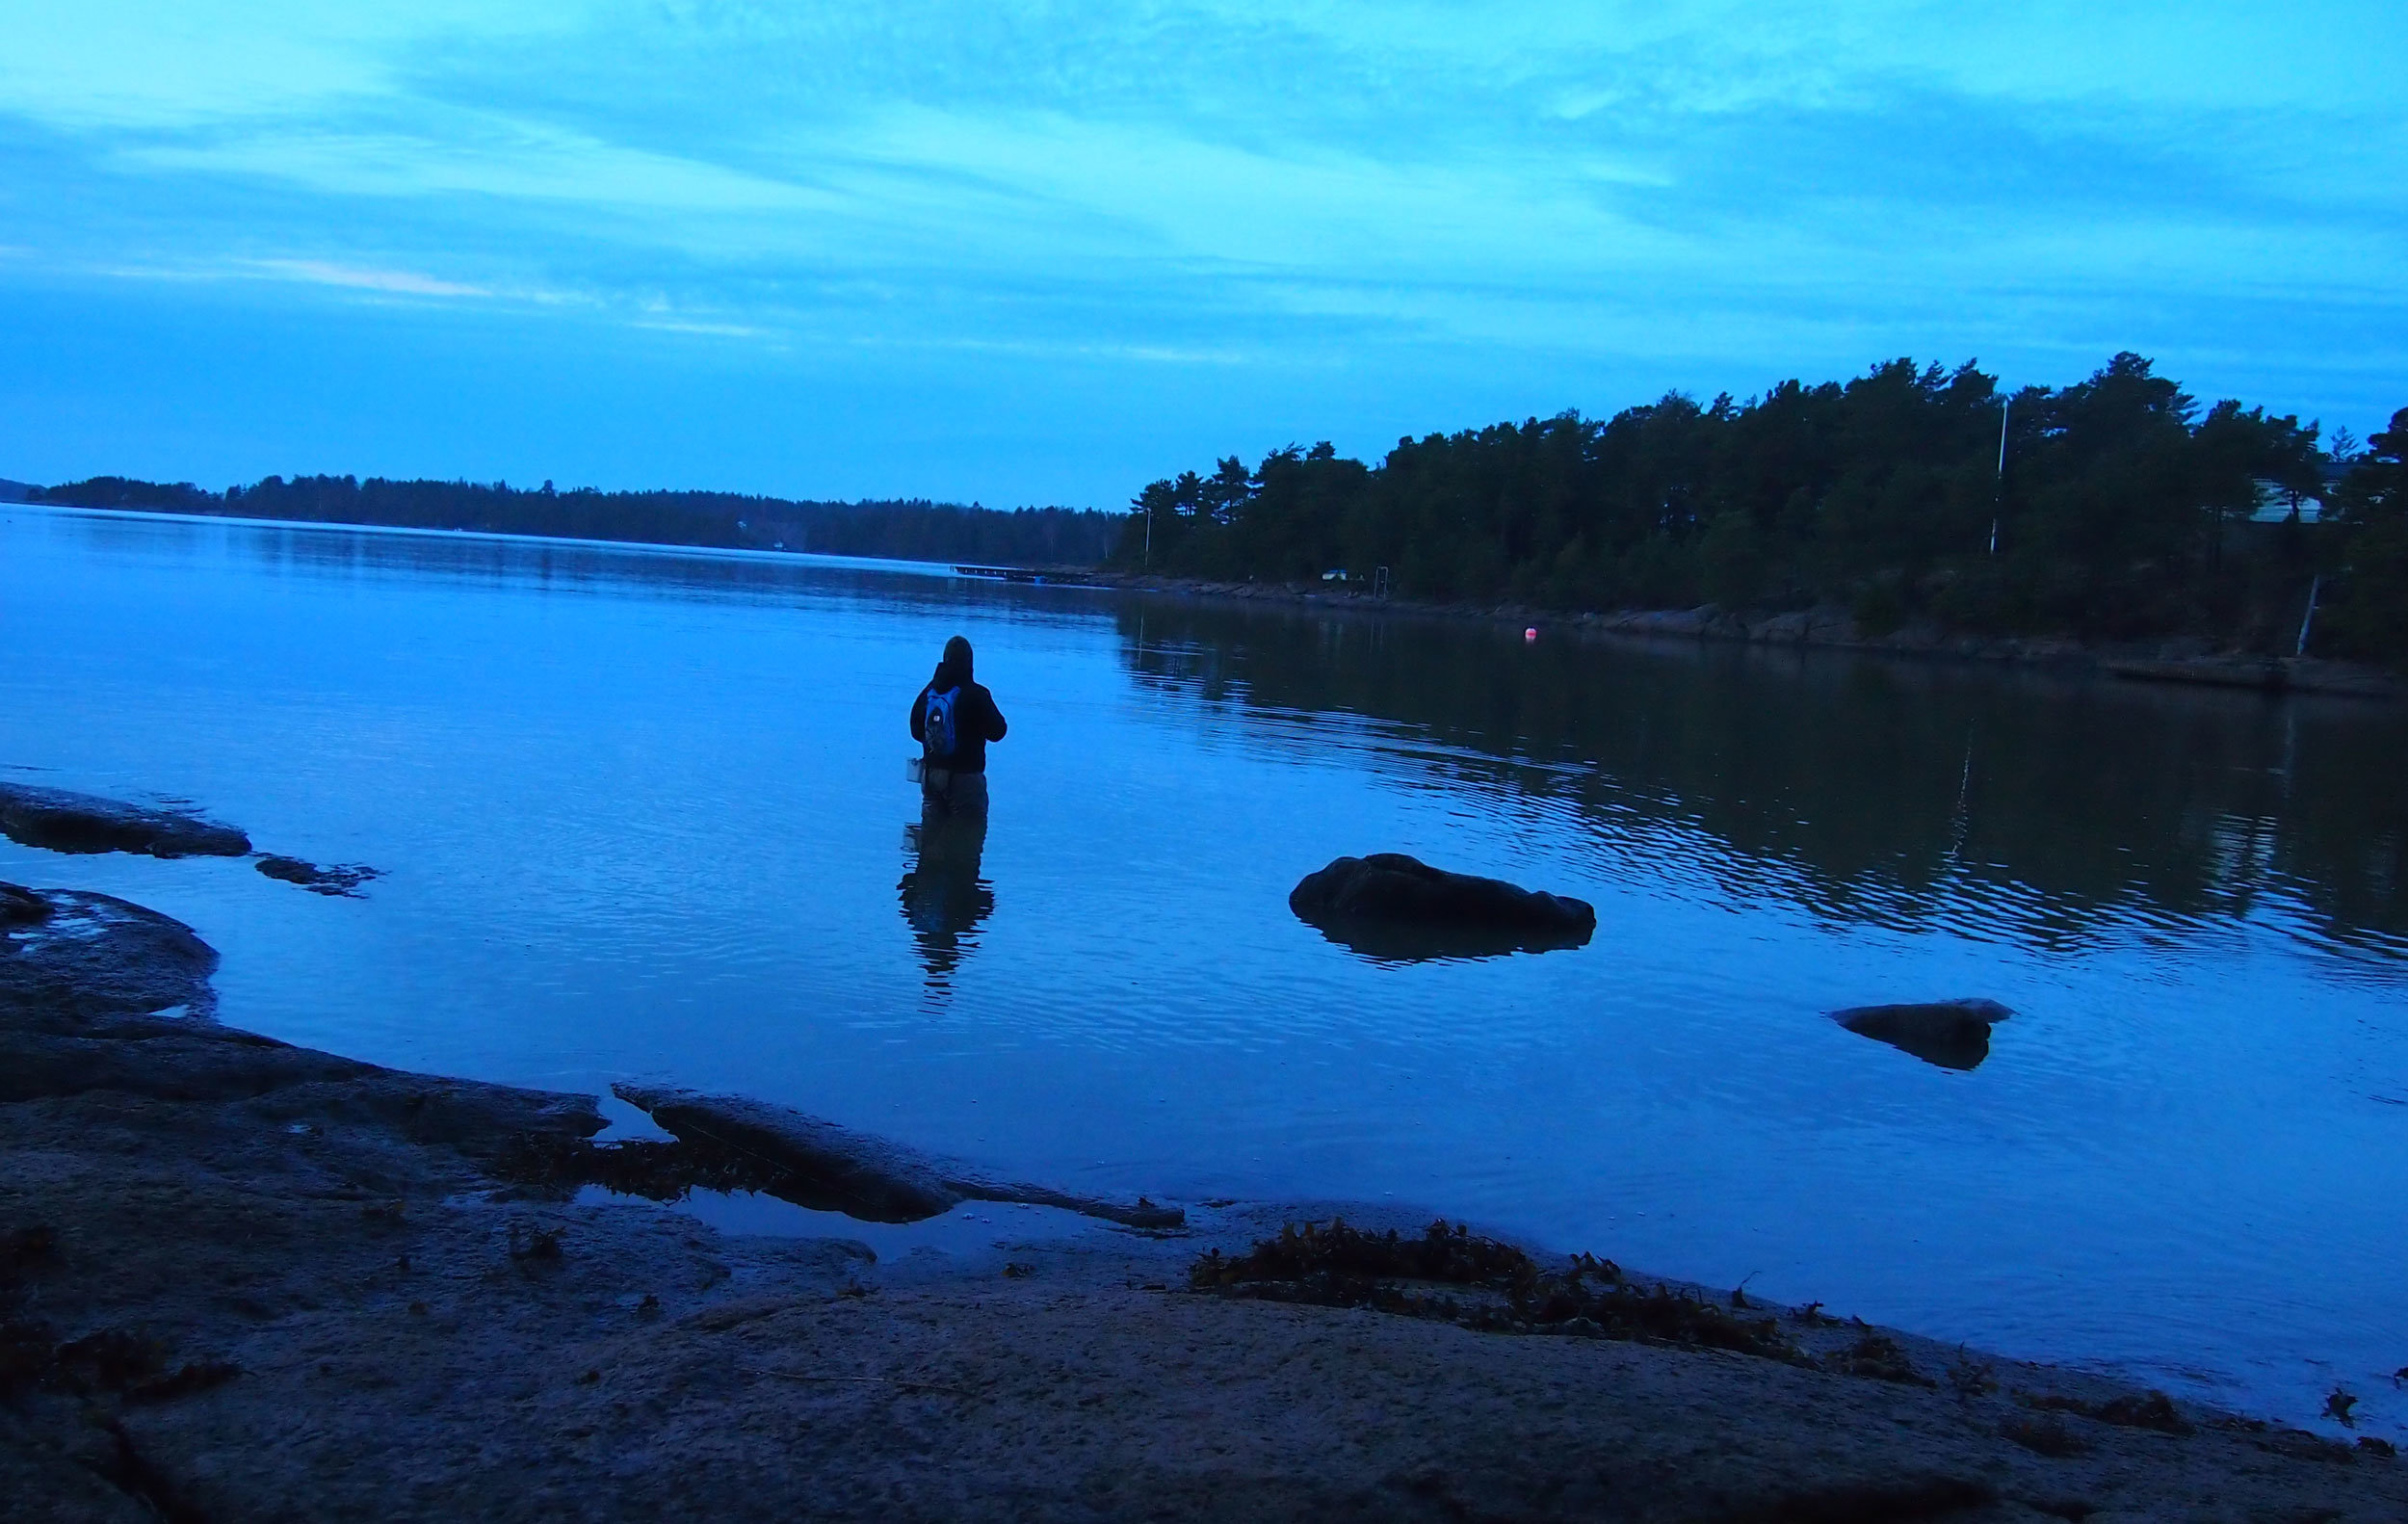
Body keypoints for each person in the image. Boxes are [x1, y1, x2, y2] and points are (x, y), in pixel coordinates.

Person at [910, 634, 1007, 818]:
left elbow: (915, 731)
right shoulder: (976, 694)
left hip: (931, 776)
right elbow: (998, 732)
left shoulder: (929, 693)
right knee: (968, 837)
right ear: (970, 662)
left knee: (930, 838)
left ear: (944, 659)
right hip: (966, 778)